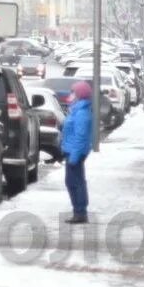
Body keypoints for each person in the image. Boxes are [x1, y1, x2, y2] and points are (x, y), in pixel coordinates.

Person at [60, 80, 95, 224]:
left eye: (73, 92)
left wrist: (74, 156)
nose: (71, 94)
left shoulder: (81, 112)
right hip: (71, 150)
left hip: (75, 152)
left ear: (80, 94)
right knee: (73, 181)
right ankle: (79, 211)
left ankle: (80, 212)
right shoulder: (76, 109)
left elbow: (80, 136)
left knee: (75, 182)